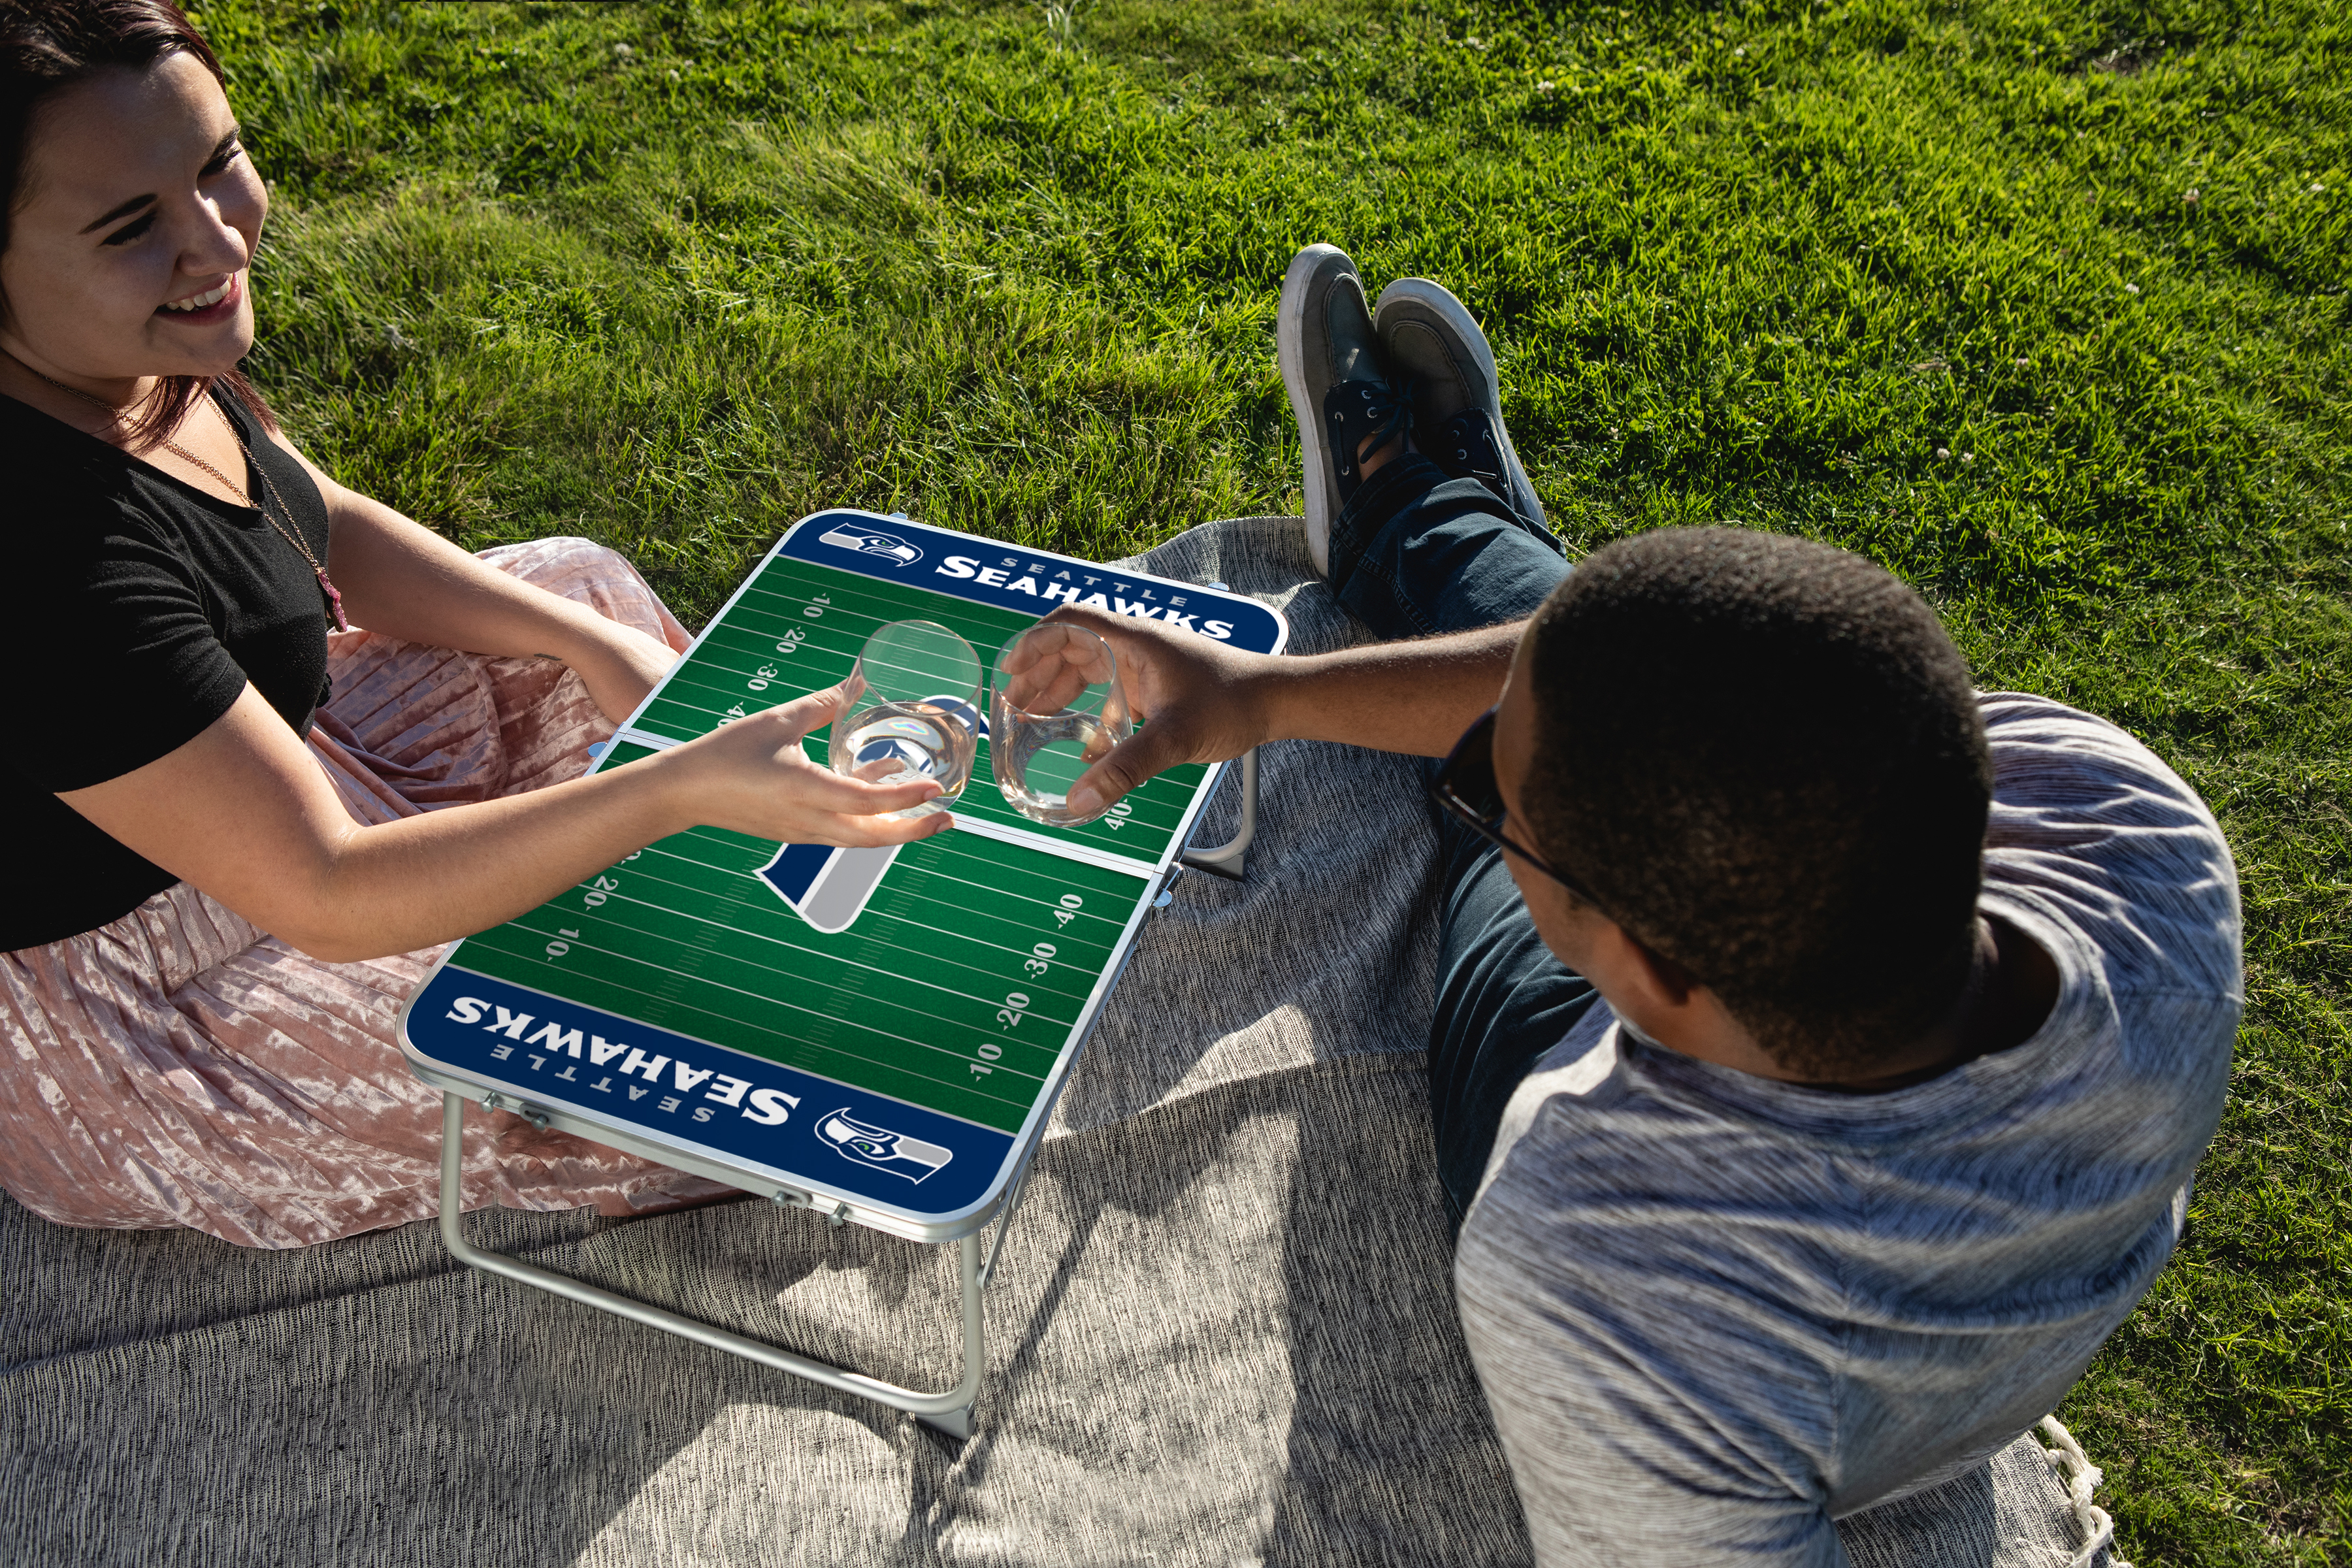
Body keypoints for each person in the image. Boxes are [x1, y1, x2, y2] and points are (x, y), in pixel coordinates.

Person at [1048, 243, 2240, 1564]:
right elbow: (1712, 694)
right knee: (1623, 670)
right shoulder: (2133, 825)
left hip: (1570, 1073)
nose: (1480, 806)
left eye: (1496, 810)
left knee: (1541, 758)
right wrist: (1257, 697)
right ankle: (1444, 527)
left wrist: (1437, 749)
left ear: (1645, 971)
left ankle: (1428, 521)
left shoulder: (1602, 1263)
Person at [0, 0, 947, 1248]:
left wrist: (589, 646)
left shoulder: (122, 356)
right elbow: (327, 891)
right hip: (163, 1001)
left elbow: (312, 520)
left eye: (218, 161)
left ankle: (719, 839)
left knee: (574, 588)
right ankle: (716, 878)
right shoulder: (40, 552)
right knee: (667, 1056)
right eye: (133, 226)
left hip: (287, 773)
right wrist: (668, 792)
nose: (217, 236)